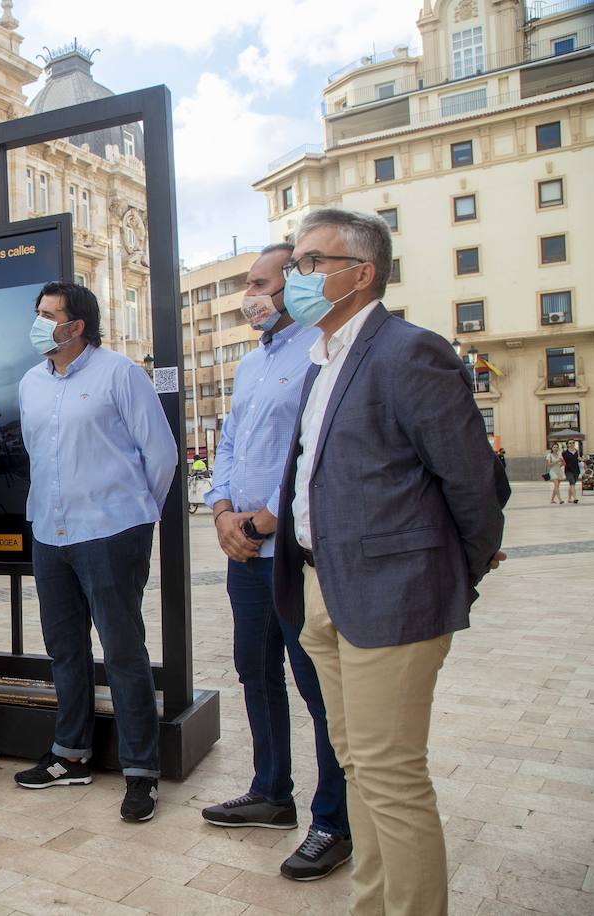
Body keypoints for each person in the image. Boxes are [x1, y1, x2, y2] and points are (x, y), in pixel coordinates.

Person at [272, 209, 508, 915]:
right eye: (295, 264)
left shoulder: (410, 352)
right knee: (360, 769)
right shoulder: (324, 360)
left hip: (393, 599)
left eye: (312, 263)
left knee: (392, 776)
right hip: (323, 591)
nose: (296, 277)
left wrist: (444, 576)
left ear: (361, 273)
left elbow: (474, 485)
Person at [201, 242, 352, 881]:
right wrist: (222, 507)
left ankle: (333, 822)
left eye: (260, 282)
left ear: (294, 283)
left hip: (293, 550)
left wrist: (263, 520)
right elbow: (231, 440)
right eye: (247, 283)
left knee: (316, 686)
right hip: (246, 550)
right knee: (255, 672)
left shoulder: (321, 352)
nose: (250, 295)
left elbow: (315, 453)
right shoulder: (252, 364)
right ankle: (270, 791)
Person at [13, 281, 178, 823]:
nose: (38, 323)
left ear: (76, 325)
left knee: (123, 653)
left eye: (47, 315)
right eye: (37, 314)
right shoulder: (31, 383)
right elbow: (39, 457)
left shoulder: (121, 374)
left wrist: (133, 516)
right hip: (50, 535)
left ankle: (141, 772)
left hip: (111, 533)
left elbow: (161, 455)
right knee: (64, 650)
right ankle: (71, 754)